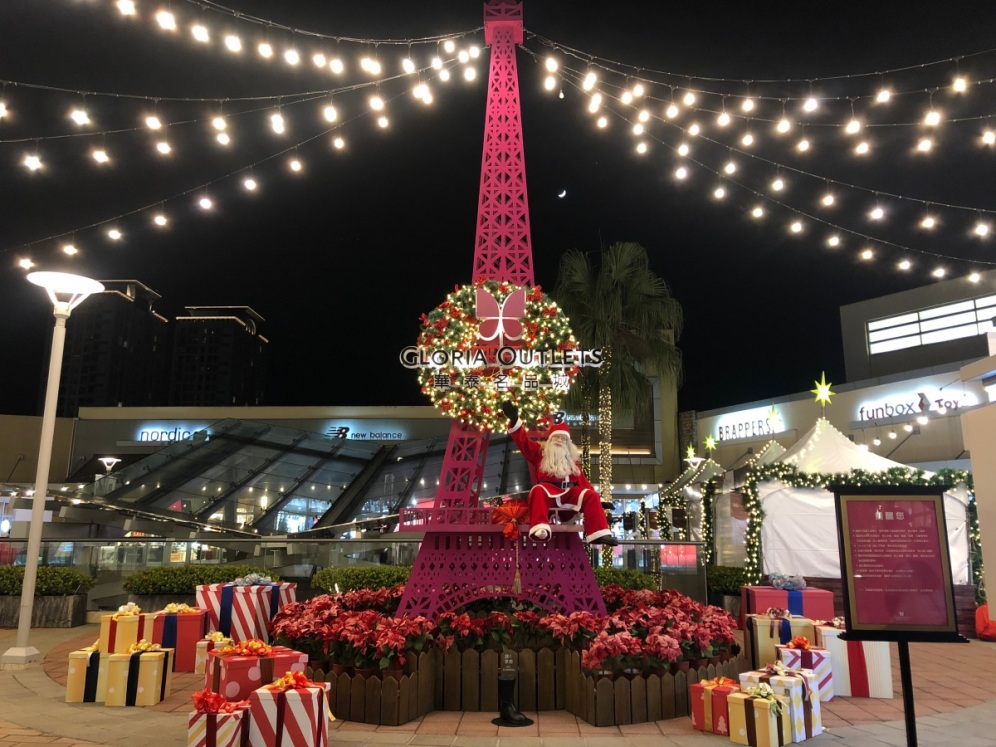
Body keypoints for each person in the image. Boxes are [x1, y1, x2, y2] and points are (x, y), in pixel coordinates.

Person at [501, 401, 618, 545]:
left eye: (563, 439)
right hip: (548, 493)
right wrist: (514, 421)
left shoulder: (572, 460)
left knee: (590, 494)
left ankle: (598, 533)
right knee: (537, 490)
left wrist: (600, 501)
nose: (559, 441)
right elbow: (523, 442)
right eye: (556, 437)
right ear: (550, 439)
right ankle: (540, 528)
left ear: (568, 443)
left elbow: (583, 482)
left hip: (569, 494)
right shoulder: (540, 453)